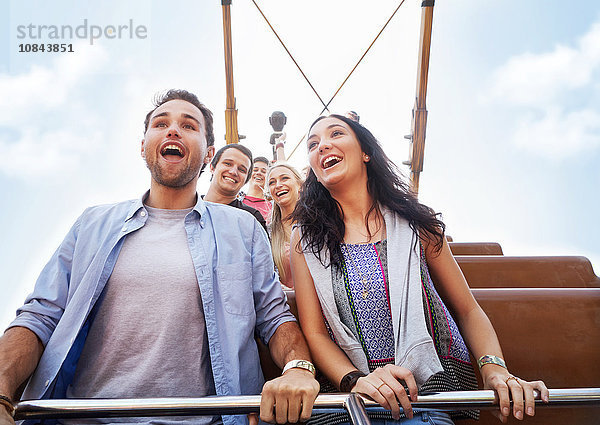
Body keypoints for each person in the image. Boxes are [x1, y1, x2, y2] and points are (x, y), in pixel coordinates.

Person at [0, 90, 319, 425]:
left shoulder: (243, 229)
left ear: (208, 153)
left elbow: (274, 317)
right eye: (161, 123)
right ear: (143, 146)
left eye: (189, 125)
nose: (173, 130)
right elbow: (40, 316)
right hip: (82, 418)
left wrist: (299, 368)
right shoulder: (92, 223)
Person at [290, 115, 548, 425]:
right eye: (313, 144)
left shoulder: (417, 225)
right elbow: (315, 333)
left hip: (421, 397)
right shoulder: (304, 239)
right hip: (350, 402)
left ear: (365, 152)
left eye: (336, 134)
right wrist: (356, 381)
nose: (323, 145)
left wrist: (494, 369)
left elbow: (466, 309)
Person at [204, 144, 268, 234]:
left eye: (242, 170)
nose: (233, 172)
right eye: (227, 164)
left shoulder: (252, 219)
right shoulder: (189, 205)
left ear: (246, 179)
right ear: (212, 167)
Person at [267, 162, 303, 289]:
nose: (278, 185)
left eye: (284, 178)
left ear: (300, 185)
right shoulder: (268, 233)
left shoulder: (320, 223)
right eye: (272, 182)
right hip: (288, 304)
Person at [243, 157, 273, 225]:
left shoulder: (274, 207)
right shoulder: (235, 199)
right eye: (255, 170)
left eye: (264, 171)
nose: (259, 173)